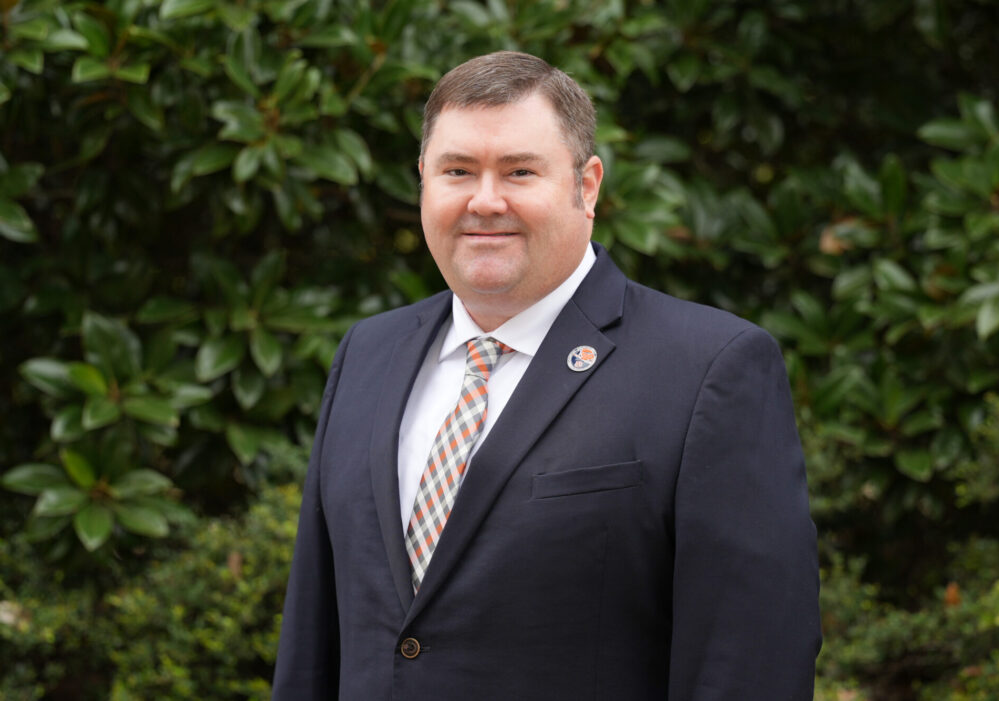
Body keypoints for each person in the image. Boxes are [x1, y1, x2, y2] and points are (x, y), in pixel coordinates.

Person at [272, 51, 820, 700]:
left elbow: (748, 664)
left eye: (519, 171)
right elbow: (314, 641)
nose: (484, 200)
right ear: (423, 180)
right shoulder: (368, 352)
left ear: (586, 186)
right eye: (457, 171)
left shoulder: (711, 369)